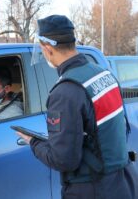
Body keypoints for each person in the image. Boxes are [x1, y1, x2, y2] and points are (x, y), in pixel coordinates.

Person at [17, 15, 138, 199]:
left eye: (41, 49)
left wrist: (33, 142)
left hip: (93, 189)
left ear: (48, 49)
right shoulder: (104, 74)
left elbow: (63, 160)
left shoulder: (65, 91)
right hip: (125, 180)